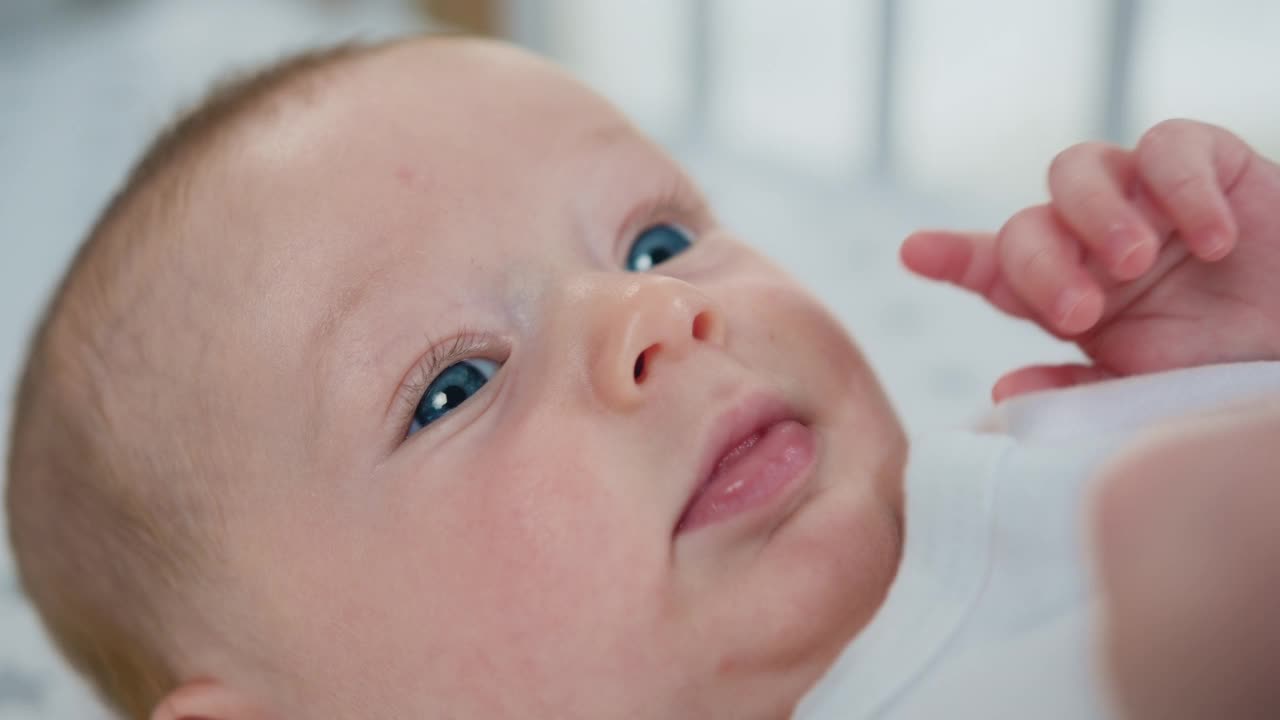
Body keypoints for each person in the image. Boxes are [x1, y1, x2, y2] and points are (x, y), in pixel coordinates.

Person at [4, 35, 1277, 719]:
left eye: (655, 239)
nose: (656, 311)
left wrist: (1239, 350)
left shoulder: (1030, 458)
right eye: (453, 386)